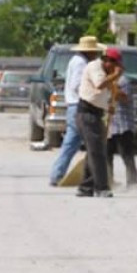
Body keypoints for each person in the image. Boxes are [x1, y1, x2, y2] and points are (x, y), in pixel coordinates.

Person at [49, 36, 103, 186]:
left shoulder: (76, 60)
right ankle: (94, 176)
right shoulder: (81, 64)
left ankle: (57, 175)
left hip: (73, 106)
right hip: (78, 105)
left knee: (71, 144)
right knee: (91, 143)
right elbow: (76, 85)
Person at [76, 47, 122, 198]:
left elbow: (106, 93)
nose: (114, 69)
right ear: (107, 60)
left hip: (96, 113)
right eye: (113, 64)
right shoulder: (95, 67)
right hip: (87, 113)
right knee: (97, 152)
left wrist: (109, 106)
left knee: (94, 150)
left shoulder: (107, 73)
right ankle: (101, 187)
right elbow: (99, 85)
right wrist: (115, 75)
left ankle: (85, 187)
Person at [107, 71, 137, 189]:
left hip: (122, 124)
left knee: (126, 153)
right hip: (110, 123)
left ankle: (133, 181)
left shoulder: (124, 81)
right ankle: (109, 180)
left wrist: (113, 87)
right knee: (107, 153)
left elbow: (124, 98)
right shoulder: (105, 79)